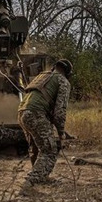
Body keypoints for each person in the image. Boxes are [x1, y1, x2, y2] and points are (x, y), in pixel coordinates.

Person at [17, 59, 73, 194]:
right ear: (68, 73)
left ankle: (42, 177)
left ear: (55, 67)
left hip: (22, 113)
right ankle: (30, 184)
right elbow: (60, 111)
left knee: (36, 147)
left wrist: (61, 130)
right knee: (50, 150)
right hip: (36, 114)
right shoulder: (63, 81)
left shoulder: (42, 76)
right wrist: (60, 133)